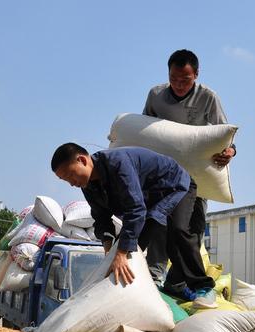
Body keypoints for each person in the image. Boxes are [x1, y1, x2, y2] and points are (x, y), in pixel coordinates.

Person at [51, 142, 215, 305]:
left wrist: (121, 253)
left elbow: (135, 210)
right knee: (126, 250)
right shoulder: (88, 185)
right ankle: (141, 293)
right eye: (66, 180)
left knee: (177, 232)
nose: (71, 183)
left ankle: (204, 287)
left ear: (82, 160)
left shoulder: (117, 164)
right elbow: (101, 217)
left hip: (175, 187)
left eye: (70, 175)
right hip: (148, 202)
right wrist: (110, 248)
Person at [143, 49, 236, 286]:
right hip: (163, 176)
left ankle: (180, 280)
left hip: (195, 176)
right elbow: (143, 129)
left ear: (196, 74)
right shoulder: (156, 95)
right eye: (174, 79)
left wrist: (230, 152)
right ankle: (155, 274)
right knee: (159, 222)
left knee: (191, 229)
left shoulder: (208, 97)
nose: (179, 85)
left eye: (185, 80)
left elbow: (224, 134)